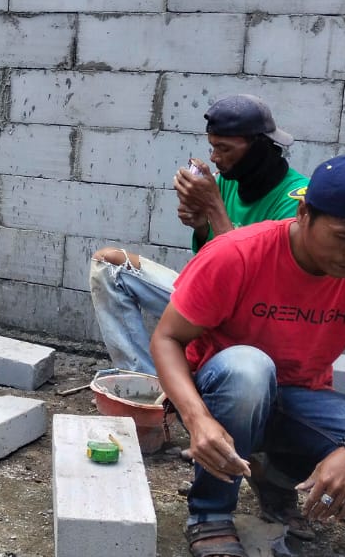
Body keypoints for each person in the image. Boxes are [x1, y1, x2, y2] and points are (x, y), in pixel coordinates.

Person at [149, 154, 345, 557]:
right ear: (303, 213)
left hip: (298, 400)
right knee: (249, 368)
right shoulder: (238, 253)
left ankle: (272, 473)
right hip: (224, 391)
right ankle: (209, 512)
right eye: (343, 237)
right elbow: (167, 338)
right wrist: (197, 420)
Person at [90, 94, 308, 374]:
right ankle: (146, 382)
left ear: (259, 147)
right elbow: (212, 270)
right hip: (213, 301)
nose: (215, 158)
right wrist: (201, 226)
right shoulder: (229, 181)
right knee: (109, 265)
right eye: (212, 147)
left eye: (224, 149)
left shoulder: (297, 200)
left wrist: (214, 208)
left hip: (256, 318)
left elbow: (255, 288)